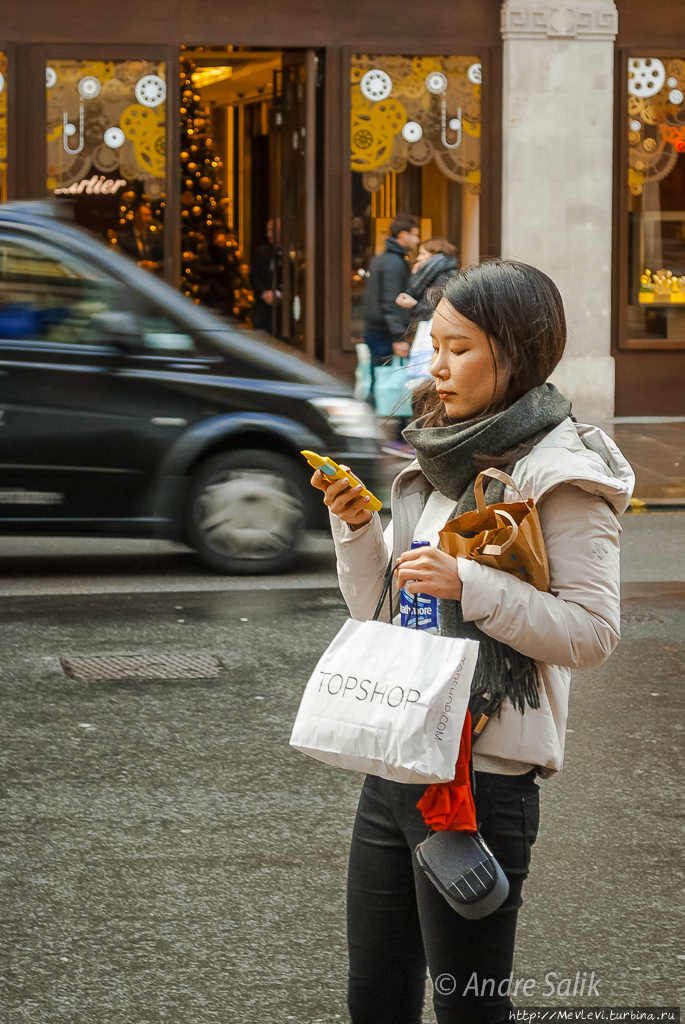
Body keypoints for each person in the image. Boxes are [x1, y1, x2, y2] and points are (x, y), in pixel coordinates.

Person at [309, 260, 634, 1024]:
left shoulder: (559, 477)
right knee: (374, 999)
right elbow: (382, 612)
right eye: (435, 345)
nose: (435, 366)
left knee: (469, 1010)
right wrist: (357, 530)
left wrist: (470, 586)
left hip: (481, 784)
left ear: (513, 353)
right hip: (397, 762)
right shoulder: (439, 459)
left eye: (457, 348)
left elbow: (592, 634)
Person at [361, 213, 421, 399]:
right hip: (385, 333)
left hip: (378, 329)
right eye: (415, 235)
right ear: (403, 235)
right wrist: (398, 337)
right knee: (383, 386)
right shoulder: (394, 262)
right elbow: (392, 301)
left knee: (379, 382)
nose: (417, 240)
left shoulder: (382, 258)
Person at [400, 238, 459, 395]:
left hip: (435, 334)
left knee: (428, 382)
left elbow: (436, 309)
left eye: (423, 253)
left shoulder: (444, 276)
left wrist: (413, 304)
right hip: (429, 331)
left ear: (435, 254)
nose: (419, 258)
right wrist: (416, 275)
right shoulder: (430, 274)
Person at [250, 218, 282, 334]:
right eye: (268, 230)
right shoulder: (261, 252)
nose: (268, 235)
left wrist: (278, 294)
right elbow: (254, 277)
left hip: (283, 313)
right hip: (263, 311)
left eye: (272, 230)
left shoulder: (289, 253)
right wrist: (264, 293)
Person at [116, 202, 164, 275]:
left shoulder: (156, 238)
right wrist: (139, 265)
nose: (150, 219)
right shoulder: (124, 238)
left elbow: (165, 260)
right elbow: (119, 260)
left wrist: (154, 265)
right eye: (146, 215)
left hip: (153, 277)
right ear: (137, 216)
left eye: (150, 215)